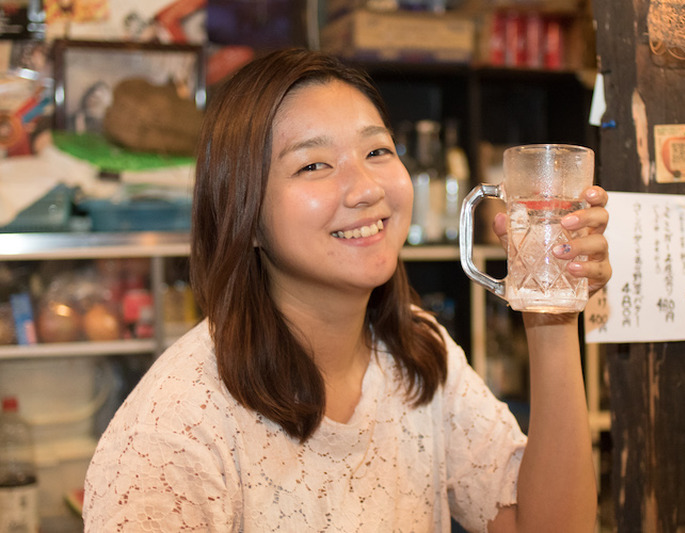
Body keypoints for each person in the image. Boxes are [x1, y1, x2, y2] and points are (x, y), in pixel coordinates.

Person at [83, 48, 611, 532]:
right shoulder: (175, 426)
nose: (366, 189)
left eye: (378, 151)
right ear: (244, 213)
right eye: (313, 165)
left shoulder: (417, 354)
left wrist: (553, 310)